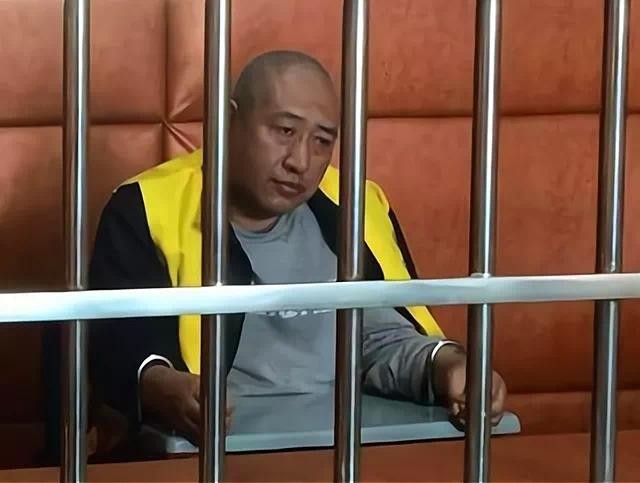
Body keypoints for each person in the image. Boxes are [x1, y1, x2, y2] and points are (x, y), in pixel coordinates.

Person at [88, 50, 507, 445]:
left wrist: (449, 366)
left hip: (351, 446)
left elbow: (381, 337)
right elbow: (117, 350)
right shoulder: (145, 206)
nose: (300, 162)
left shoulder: (358, 207)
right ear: (228, 122)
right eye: (285, 131)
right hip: (214, 448)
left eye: (322, 141)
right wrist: (163, 387)